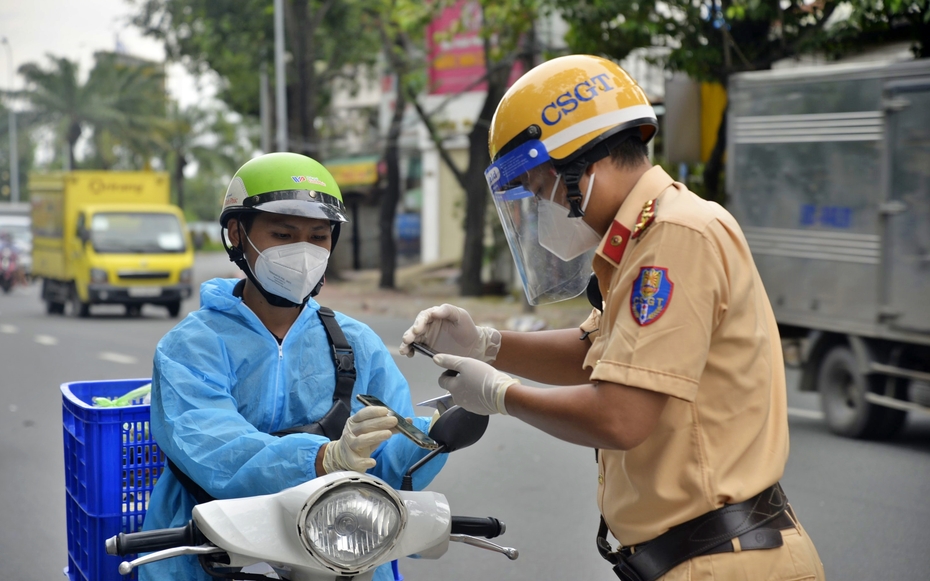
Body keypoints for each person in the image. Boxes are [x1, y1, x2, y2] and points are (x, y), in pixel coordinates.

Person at [400, 55, 825, 581]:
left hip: (722, 561)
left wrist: (499, 394)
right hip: (701, 557)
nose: (540, 209)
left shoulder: (675, 236)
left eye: (539, 190)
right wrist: (484, 342)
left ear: (582, 165)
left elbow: (621, 416)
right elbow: (592, 356)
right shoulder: (642, 240)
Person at [143, 152, 446, 581]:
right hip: (208, 555)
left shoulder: (356, 343)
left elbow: (390, 465)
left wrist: (441, 433)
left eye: (318, 237)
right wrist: (324, 458)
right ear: (236, 233)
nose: (303, 252)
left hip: (337, 554)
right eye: (284, 233)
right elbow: (216, 450)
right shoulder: (190, 347)